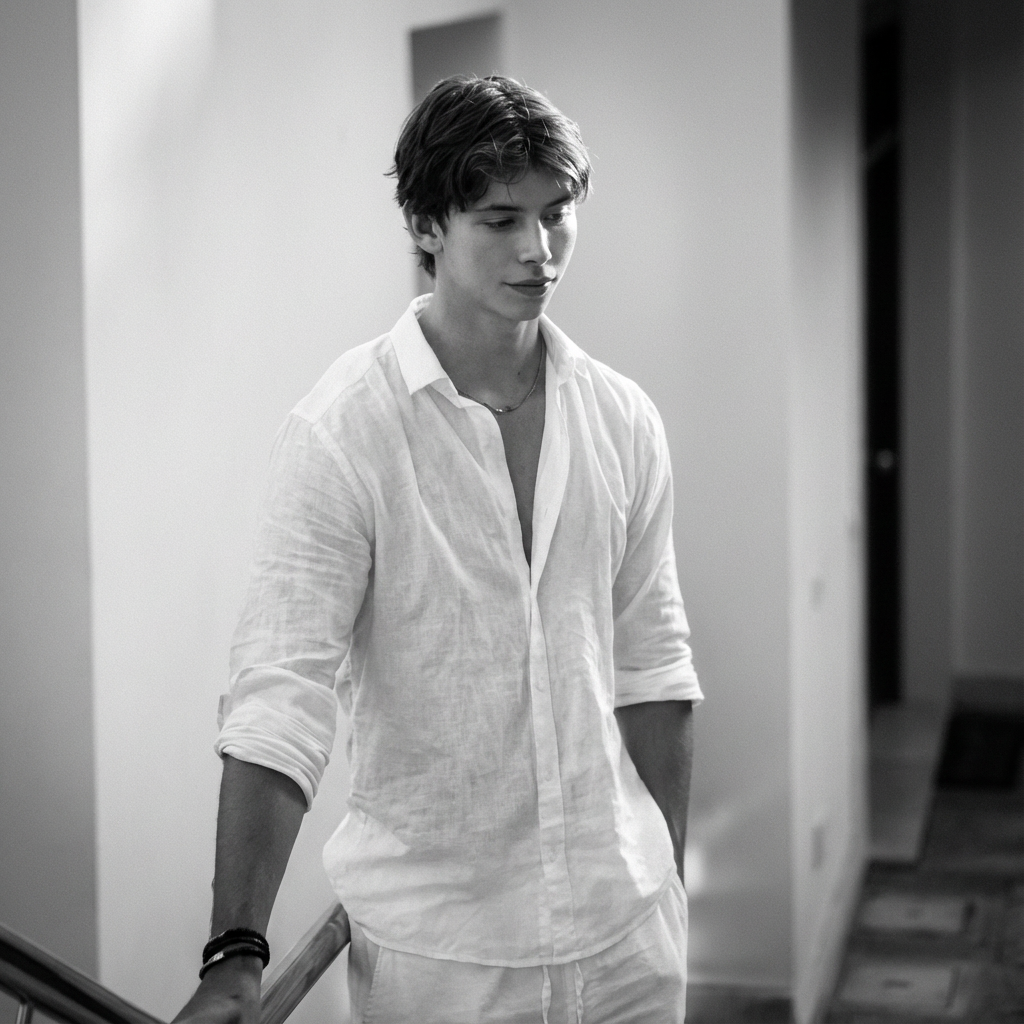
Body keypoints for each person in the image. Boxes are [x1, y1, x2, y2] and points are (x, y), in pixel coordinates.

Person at [174, 74, 702, 1024]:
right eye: (500, 219)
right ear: (426, 225)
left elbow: (654, 663)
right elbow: (279, 699)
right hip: (445, 968)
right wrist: (235, 952)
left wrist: (668, 872)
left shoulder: (623, 418)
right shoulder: (344, 431)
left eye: (557, 213)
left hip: (630, 942)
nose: (539, 250)